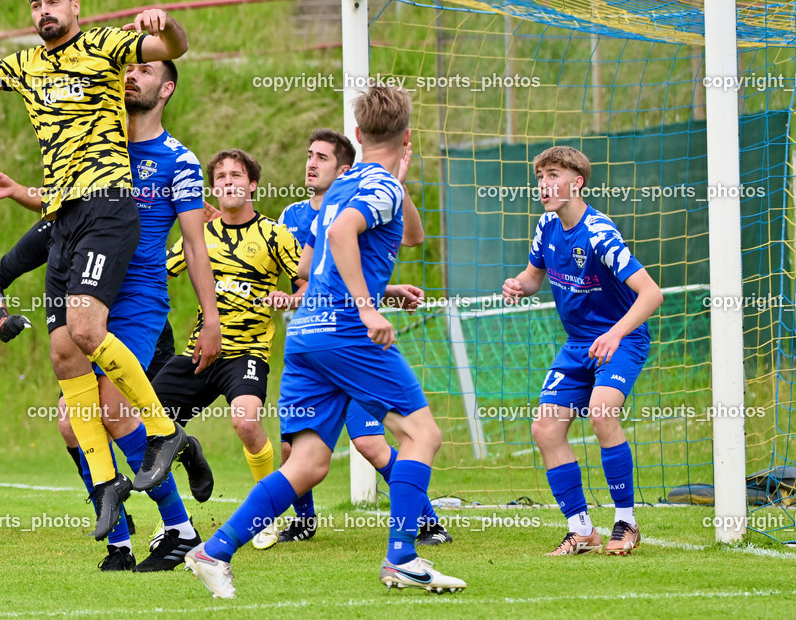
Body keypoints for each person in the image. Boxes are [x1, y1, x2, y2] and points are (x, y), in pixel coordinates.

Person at [0, 0, 191, 540]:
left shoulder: (104, 45)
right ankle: (106, 488)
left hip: (105, 202)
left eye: (53, 0)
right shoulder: (25, 64)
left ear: (75, 6)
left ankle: (162, 432)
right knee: (62, 354)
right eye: (35, 4)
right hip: (63, 216)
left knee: (83, 328)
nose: (43, 10)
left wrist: (164, 25)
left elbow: (172, 48)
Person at [184, 85, 467, 598]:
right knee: (422, 435)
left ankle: (215, 550)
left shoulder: (347, 183)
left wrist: (384, 276)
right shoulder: (374, 185)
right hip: (346, 330)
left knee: (309, 463)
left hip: (306, 335)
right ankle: (403, 556)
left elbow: (373, 247)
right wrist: (367, 304)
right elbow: (340, 239)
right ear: (407, 136)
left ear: (357, 136)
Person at [0, 59, 219, 569]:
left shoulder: (178, 160)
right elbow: (67, 209)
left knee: (111, 410)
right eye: (127, 69)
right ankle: (122, 536)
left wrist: (210, 318)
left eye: (146, 71)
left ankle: (179, 529)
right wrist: (22, 193)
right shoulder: (98, 147)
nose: (132, 76)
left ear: (166, 88)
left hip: (137, 300)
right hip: (84, 289)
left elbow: (195, 246)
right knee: (69, 422)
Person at [265, 128, 450, 548]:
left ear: (344, 168)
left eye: (322, 157)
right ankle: (304, 524)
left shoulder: (361, 198)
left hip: (341, 338)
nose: (311, 163)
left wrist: (378, 297)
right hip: (328, 338)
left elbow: (404, 239)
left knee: (371, 444)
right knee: (298, 454)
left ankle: (425, 522)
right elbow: (316, 276)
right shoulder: (296, 215)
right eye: (309, 155)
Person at [145, 148, 304, 568]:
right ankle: (187, 466)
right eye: (221, 177)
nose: (229, 181)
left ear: (253, 184)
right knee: (147, 422)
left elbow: (308, 283)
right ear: (213, 188)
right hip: (201, 350)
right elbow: (158, 270)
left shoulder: (274, 235)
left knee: (246, 421)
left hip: (247, 352)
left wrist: (290, 297)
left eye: (238, 175)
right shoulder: (202, 236)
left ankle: (265, 512)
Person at [502, 146, 662, 555]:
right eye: (539, 177)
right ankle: (582, 530)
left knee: (603, 412)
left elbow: (651, 294)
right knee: (545, 428)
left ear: (577, 183)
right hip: (578, 346)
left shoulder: (599, 233)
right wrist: (519, 284)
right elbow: (534, 276)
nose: (543, 185)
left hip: (621, 339)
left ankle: (625, 522)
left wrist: (614, 334)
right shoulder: (546, 227)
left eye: (553, 175)